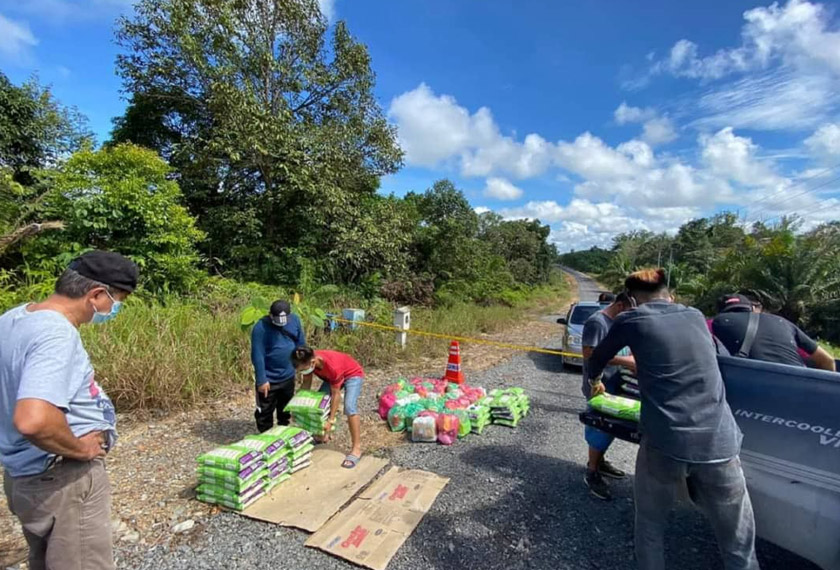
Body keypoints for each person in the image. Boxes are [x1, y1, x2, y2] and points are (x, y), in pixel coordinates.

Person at [589, 268, 759, 570]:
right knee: (738, 546)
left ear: (630, 299)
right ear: (671, 294)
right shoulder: (695, 315)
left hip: (665, 442)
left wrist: (595, 380)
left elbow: (597, 357)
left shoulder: (631, 319)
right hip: (720, 443)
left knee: (650, 528)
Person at [0, 250, 138, 570]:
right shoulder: (55, 332)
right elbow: (33, 420)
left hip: (25, 477)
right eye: (118, 300)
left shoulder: (12, 319)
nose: (115, 309)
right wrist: (81, 449)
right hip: (60, 478)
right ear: (96, 295)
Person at [581, 292, 635, 500]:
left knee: (610, 426)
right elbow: (589, 355)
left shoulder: (620, 324)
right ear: (620, 306)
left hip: (615, 383)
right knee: (599, 427)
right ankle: (591, 472)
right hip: (598, 385)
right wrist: (626, 361)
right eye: (629, 311)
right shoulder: (597, 322)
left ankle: (600, 462)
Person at [712, 294, 835, 372]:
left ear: (721, 312)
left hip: (753, 384)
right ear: (753, 308)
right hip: (798, 380)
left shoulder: (717, 322)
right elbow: (827, 360)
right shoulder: (782, 322)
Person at [291, 346, 364, 469]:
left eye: (303, 370)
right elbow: (306, 385)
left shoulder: (332, 366)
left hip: (352, 375)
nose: (302, 373)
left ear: (313, 362)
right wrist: (297, 406)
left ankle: (356, 448)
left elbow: (336, 394)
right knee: (319, 403)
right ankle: (321, 436)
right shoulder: (308, 363)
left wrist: (330, 420)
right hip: (332, 378)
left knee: (349, 407)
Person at [251, 300, 306, 432]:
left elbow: (301, 344)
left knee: (285, 408)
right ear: (270, 315)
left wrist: (302, 365)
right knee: (265, 412)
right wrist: (262, 379)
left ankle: (283, 431)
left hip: (288, 375)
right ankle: (265, 435)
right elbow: (257, 354)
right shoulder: (260, 327)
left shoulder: (295, 321)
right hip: (269, 379)